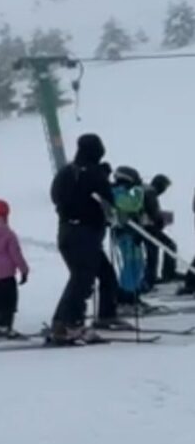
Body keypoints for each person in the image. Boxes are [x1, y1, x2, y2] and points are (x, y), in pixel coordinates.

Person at [49, 134, 116, 344]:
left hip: (67, 231)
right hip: (84, 232)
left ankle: (105, 315)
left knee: (103, 274)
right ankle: (66, 323)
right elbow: (110, 199)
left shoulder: (65, 173)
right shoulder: (93, 173)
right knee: (82, 279)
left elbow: (55, 196)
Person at [0, 199, 29, 339]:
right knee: (9, 301)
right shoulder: (8, 233)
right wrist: (24, 270)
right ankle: (4, 326)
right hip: (6, 274)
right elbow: (16, 254)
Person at [107, 166, 148, 322]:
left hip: (133, 234)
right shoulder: (117, 192)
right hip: (125, 235)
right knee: (130, 265)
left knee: (138, 264)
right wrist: (139, 191)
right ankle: (125, 298)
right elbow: (133, 205)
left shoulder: (123, 192)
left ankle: (133, 295)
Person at [142, 174, 177, 288]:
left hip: (145, 226)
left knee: (153, 251)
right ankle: (168, 274)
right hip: (149, 227)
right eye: (165, 187)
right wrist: (162, 221)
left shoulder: (146, 190)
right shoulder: (151, 192)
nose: (165, 191)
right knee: (170, 245)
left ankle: (151, 278)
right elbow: (153, 213)